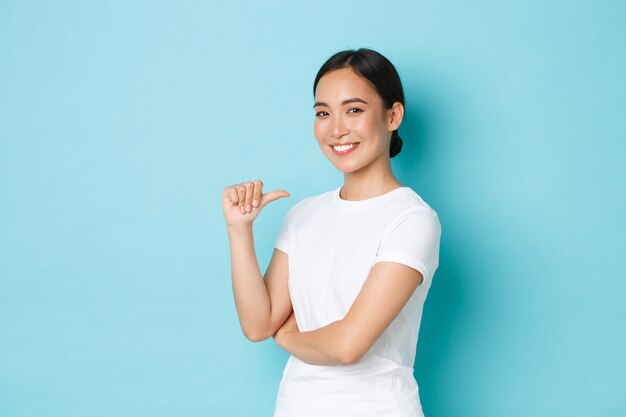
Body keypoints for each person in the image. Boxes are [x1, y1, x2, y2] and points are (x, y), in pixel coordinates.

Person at [222, 48, 442, 417]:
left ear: (393, 115)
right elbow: (259, 324)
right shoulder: (303, 214)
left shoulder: (411, 220)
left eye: (354, 110)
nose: (336, 128)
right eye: (323, 113)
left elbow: (347, 345)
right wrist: (238, 230)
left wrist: (289, 336)